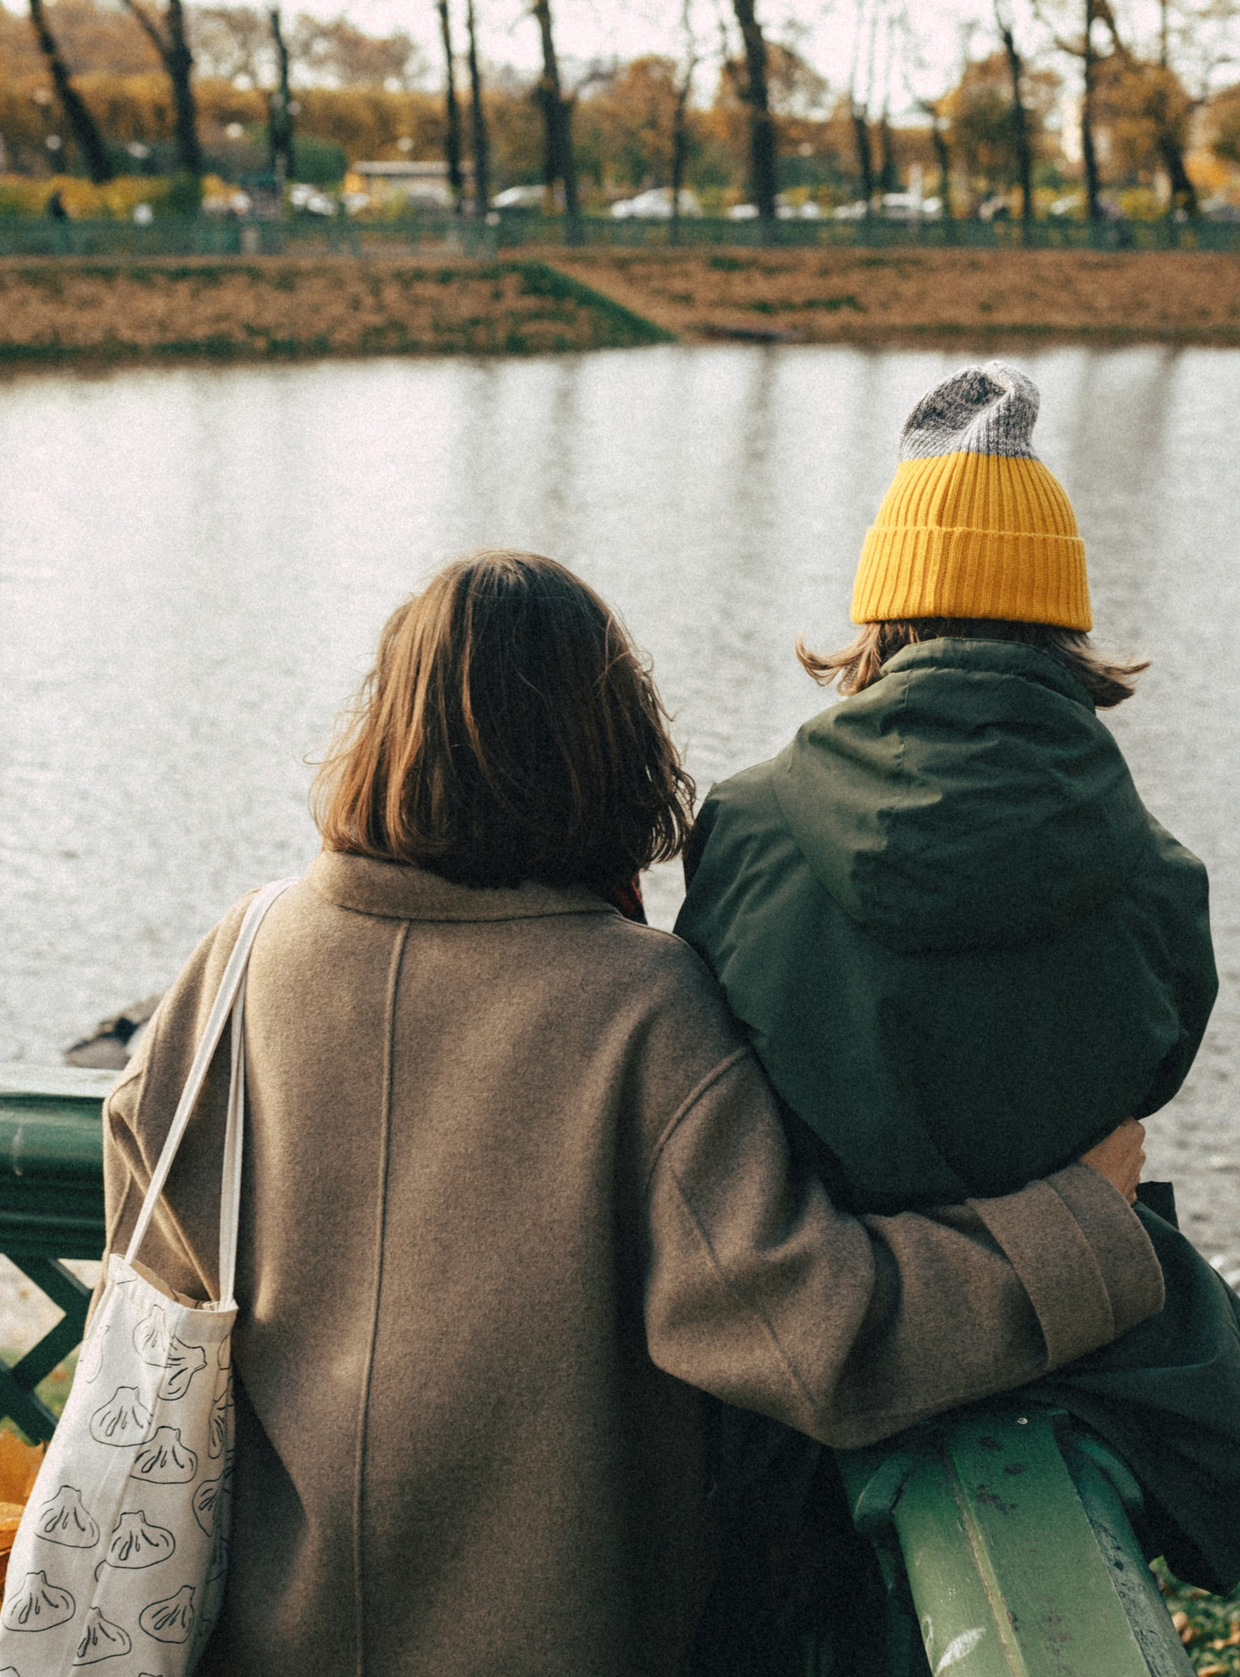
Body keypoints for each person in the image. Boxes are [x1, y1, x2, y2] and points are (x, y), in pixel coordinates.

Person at [101, 550, 1165, 1677]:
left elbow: (149, 1234)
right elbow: (805, 1335)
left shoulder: (243, 953)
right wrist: (1078, 1233)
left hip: (243, 1634)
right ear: (608, 742)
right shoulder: (639, 1005)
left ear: (385, 725)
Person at [674, 362, 1240, 1655]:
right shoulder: (1161, 878)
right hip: (1071, 1343)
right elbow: (1153, 1075)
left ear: (879, 623)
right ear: (1066, 630)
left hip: (803, 1383)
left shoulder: (744, 829)